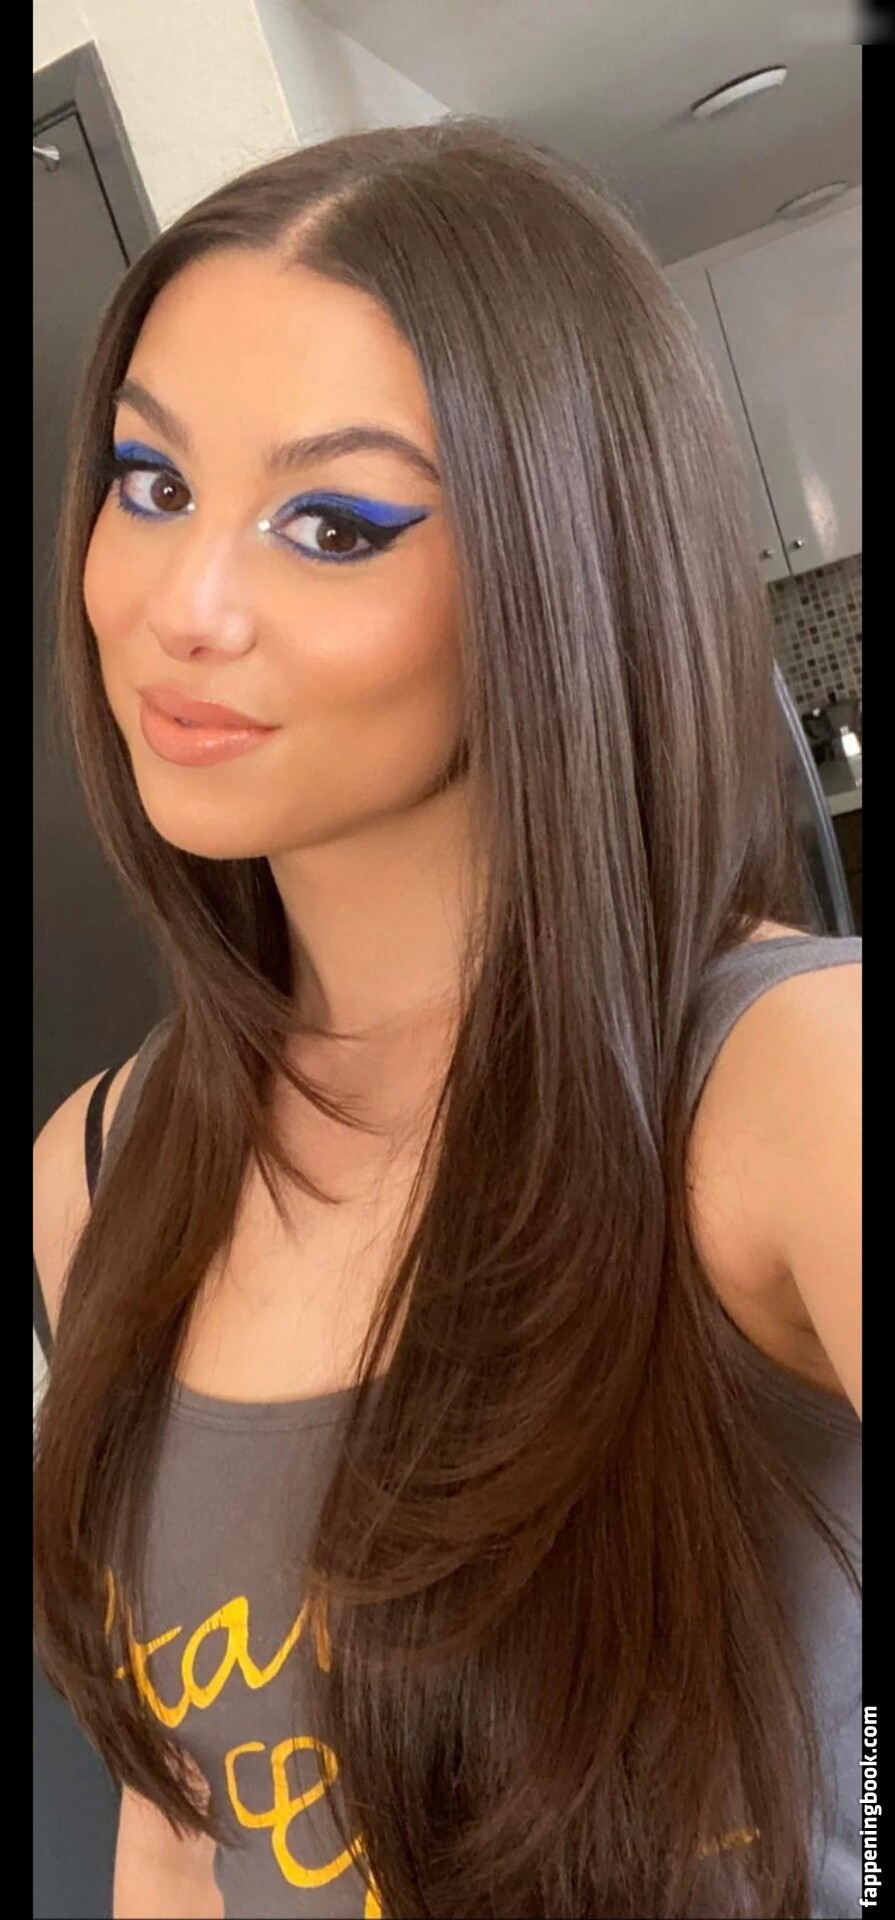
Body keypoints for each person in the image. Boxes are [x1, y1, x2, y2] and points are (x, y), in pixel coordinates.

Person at [33, 121, 861, 1920]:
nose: (184, 606)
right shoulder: (94, 1172)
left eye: (332, 524)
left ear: (563, 567)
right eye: (151, 484)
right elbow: (178, 1826)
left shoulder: (794, 1085)